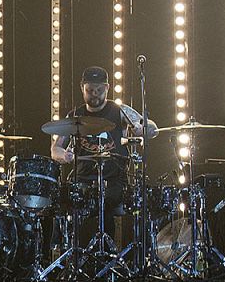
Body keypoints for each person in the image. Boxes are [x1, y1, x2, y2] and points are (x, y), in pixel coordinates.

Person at [49, 66, 157, 215]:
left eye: (99, 90)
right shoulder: (74, 115)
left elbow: (152, 127)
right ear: (82, 87)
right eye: (90, 90)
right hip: (83, 181)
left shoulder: (120, 111)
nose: (95, 94)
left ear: (107, 88)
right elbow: (55, 149)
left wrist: (142, 128)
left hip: (114, 181)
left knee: (114, 210)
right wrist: (64, 155)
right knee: (61, 206)